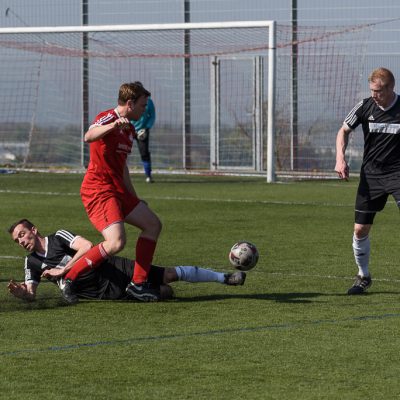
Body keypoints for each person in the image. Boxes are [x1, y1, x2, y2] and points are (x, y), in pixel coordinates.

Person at [63, 82, 162, 303]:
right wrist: (113, 125)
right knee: (116, 242)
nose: (145, 110)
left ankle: (138, 285)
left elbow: (123, 168)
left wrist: (134, 198)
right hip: (99, 190)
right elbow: (89, 136)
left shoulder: (130, 129)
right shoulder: (108, 117)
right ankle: (69, 278)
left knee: (153, 224)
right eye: (142, 105)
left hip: (117, 190)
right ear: (130, 103)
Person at [7, 219, 246, 302]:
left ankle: (224, 278)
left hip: (112, 268)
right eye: (17, 240)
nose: (21, 241)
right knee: (166, 292)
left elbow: (88, 247)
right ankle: (150, 292)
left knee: (168, 275)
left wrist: (63, 271)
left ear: (34, 230)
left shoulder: (58, 237)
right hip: (101, 292)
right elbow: (31, 294)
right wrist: (23, 294)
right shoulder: (31, 264)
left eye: (22, 235)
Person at [335, 67, 400, 295]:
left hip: (398, 174)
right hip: (371, 176)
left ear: (391, 88)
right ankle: (363, 276)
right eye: (372, 90)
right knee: (360, 229)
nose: (374, 95)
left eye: (379, 91)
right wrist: (340, 159)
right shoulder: (365, 106)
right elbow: (343, 131)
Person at [130, 81, 156, 183]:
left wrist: (146, 128)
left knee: (144, 153)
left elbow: (152, 116)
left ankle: (148, 176)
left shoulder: (148, 102)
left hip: (142, 131)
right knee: (121, 150)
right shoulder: (130, 101)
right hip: (129, 129)